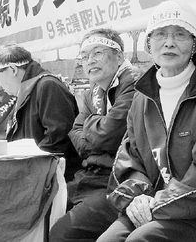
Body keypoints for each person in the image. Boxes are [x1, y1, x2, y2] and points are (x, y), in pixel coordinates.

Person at [99, 0, 196, 242]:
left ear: (194, 45)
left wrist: (158, 203)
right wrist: (137, 198)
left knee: (141, 239)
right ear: (148, 44)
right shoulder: (141, 97)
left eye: (180, 34)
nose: (169, 42)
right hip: (151, 204)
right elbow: (130, 158)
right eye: (160, 35)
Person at [50, 28, 139, 241]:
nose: (90, 61)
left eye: (97, 53)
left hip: (118, 180)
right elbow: (75, 132)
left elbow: (108, 135)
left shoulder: (134, 82)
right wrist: (95, 130)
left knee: (63, 233)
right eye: (85, 56)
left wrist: (90, 126)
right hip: (88, 175)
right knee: (40, 211)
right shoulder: (92, 92)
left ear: (119, 56)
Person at [0, 44, 81, 180]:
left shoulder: (48, 86)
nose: (0, 84)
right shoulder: (26, 90)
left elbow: (57, 139)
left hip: (50, 175)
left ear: (13, 70)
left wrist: (25, 166)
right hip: (30, 169)